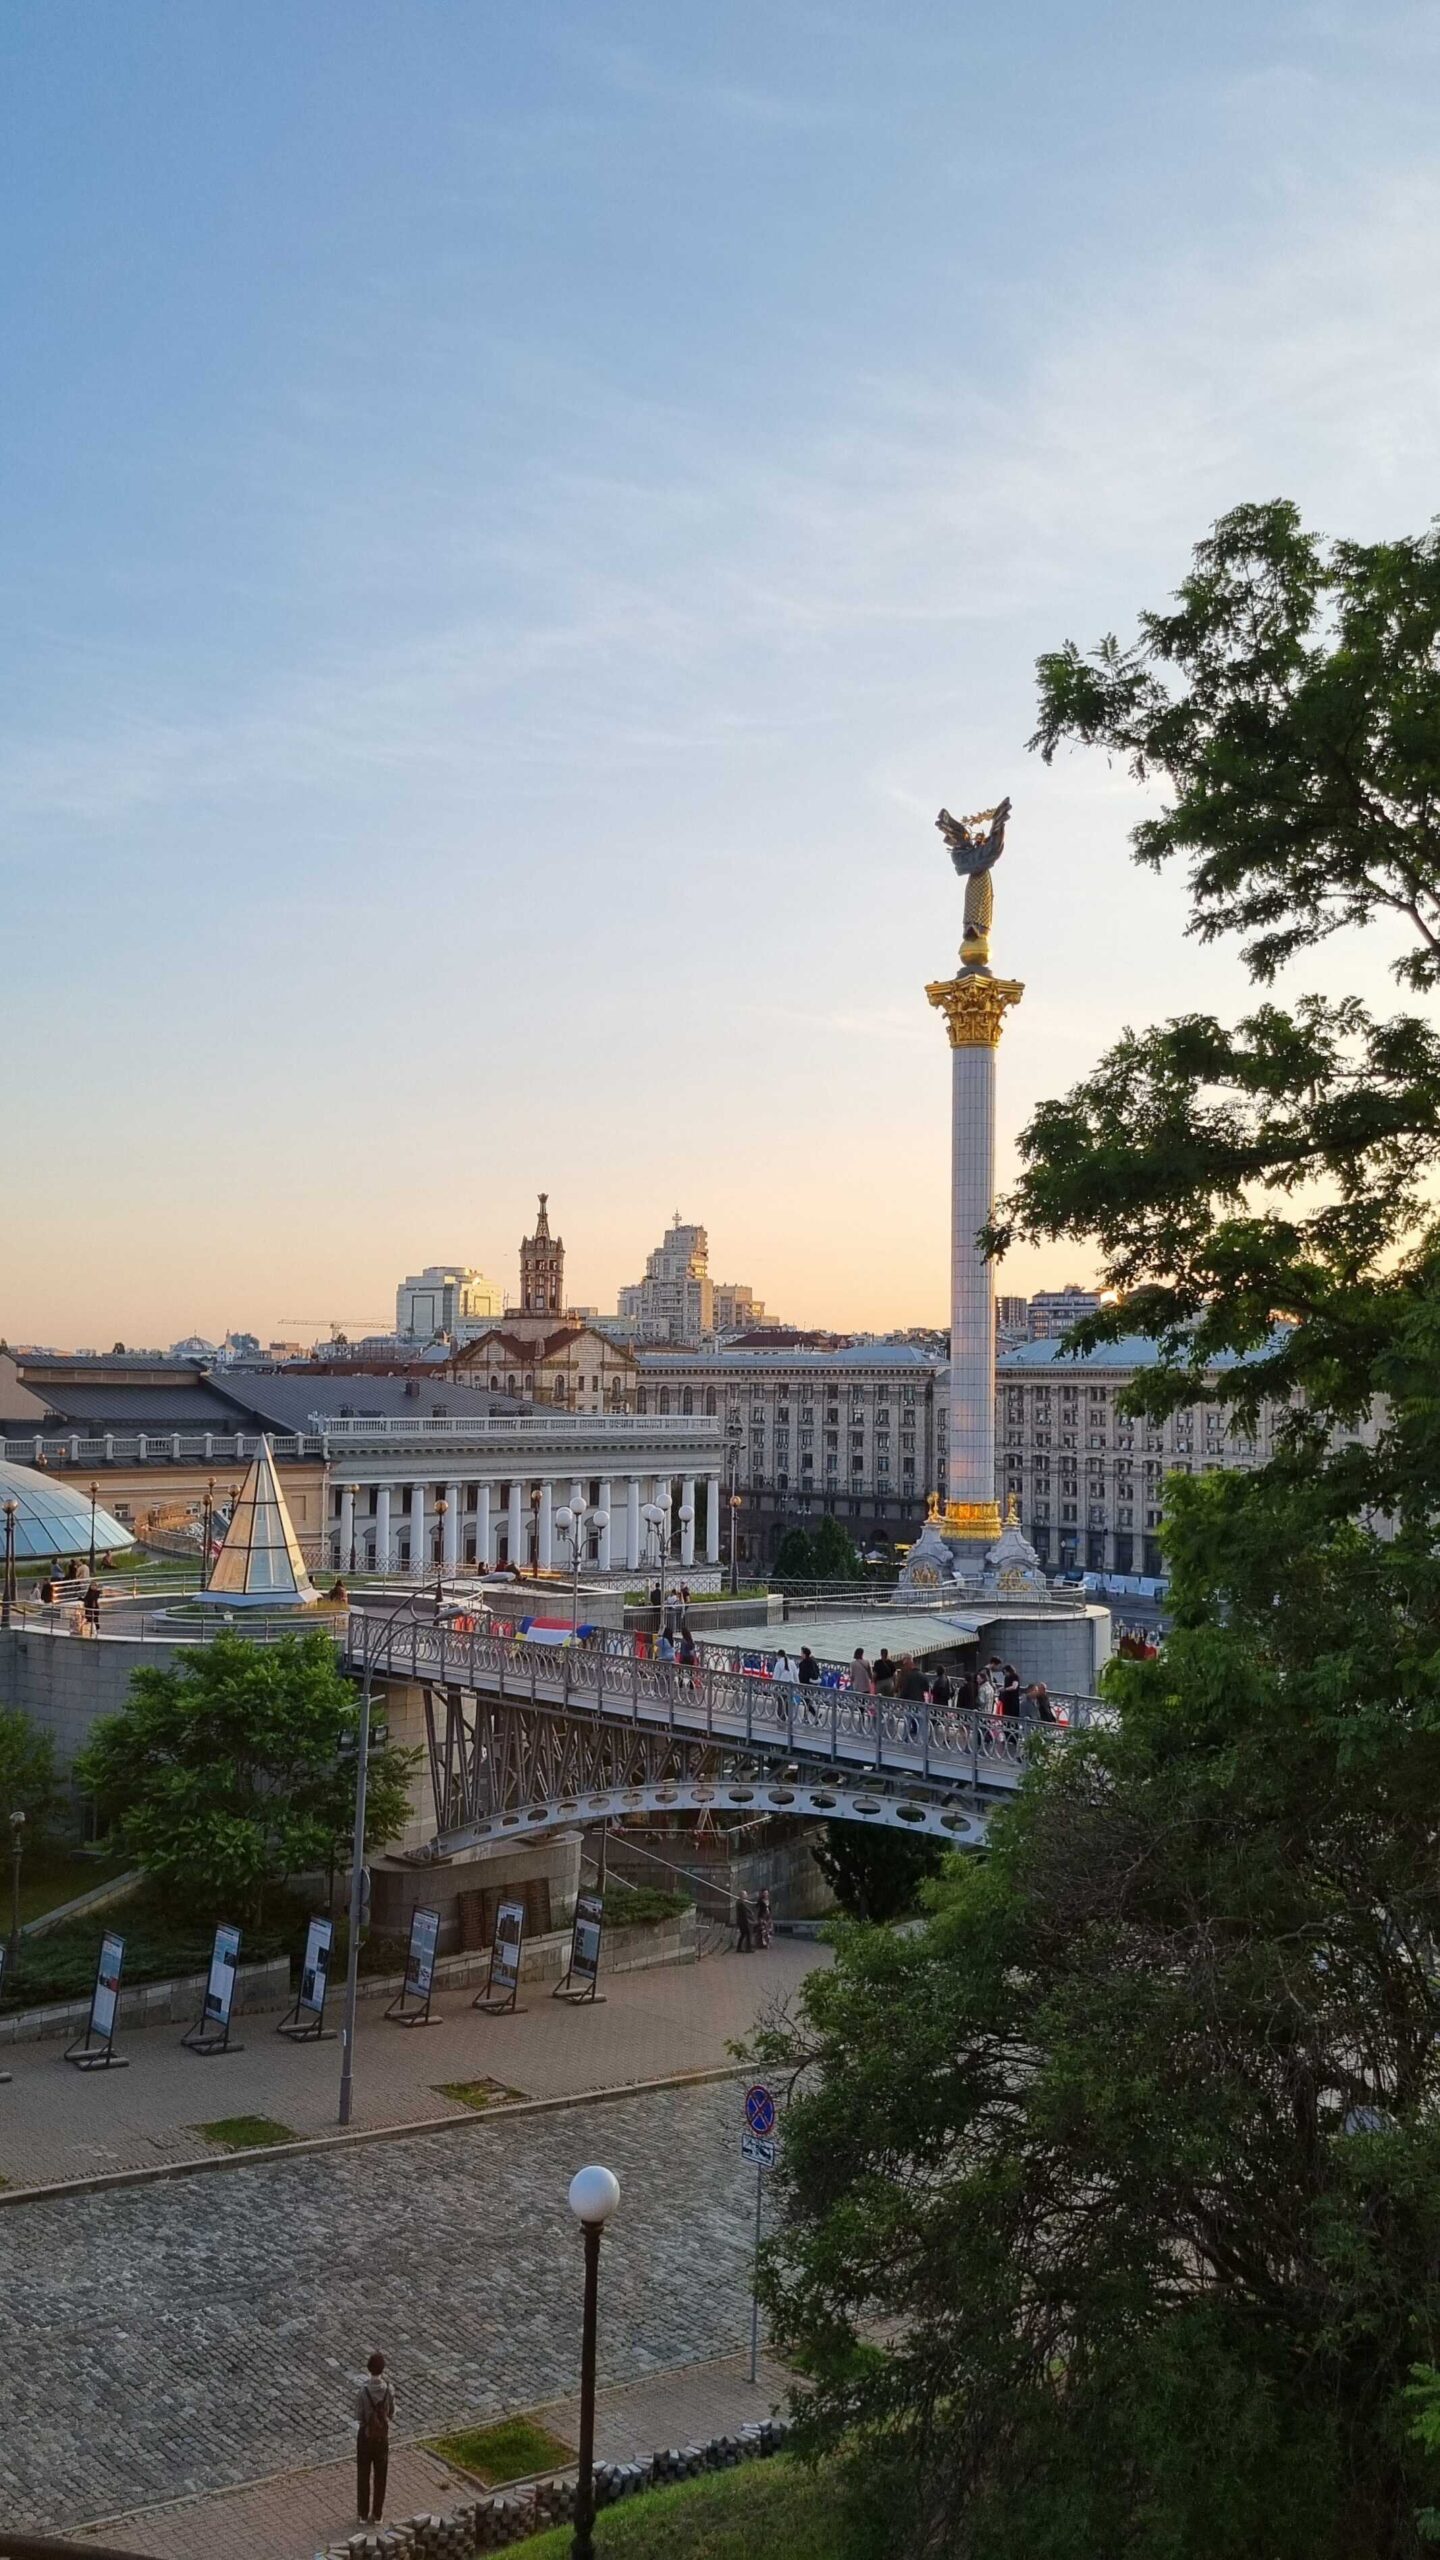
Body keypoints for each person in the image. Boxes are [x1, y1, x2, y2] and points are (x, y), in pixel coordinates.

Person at [355, 2351, 395, 2525]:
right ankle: (377, 2514)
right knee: (381, 2476)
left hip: (365, 2437)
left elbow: (359, 2415)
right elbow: (391, 2412)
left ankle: (363, 2514)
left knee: (363, 2475)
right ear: (382, 2369)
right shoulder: (388, 2390)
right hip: (381, 2439)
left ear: (369, 2369)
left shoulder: (363, 2391)